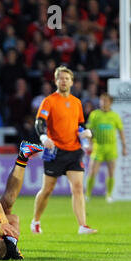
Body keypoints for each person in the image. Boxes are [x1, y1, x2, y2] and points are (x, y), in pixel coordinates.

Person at [32, 66, 97, 235]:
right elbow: (39, 122)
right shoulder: (49, 101)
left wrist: (86, 132)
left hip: (74, 150)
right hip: (55, 151)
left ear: (72, 81)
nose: (64, 81)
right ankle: (36, 220)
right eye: (60, 78)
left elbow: (79, 125)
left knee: (77, 187)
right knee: (47, 190)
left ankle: (82, 225)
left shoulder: (77, 102)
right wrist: (44, 138)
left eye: (67, 78)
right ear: (56, 81)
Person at [86, 93, 127, 203]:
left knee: (111, 172)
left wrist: (124, 146)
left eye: (106, 101)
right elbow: (89, 130)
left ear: (110, 103)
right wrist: (89, 143)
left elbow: (121, 131)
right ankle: (88, 195)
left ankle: (109, 195)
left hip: (111, 147)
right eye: (102, 100)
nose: (104, 103)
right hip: (98, 146)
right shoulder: (94, 114)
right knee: (92, 171)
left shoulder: (115, 116)